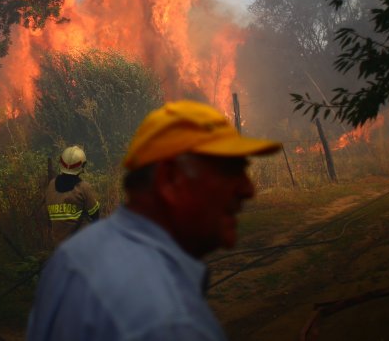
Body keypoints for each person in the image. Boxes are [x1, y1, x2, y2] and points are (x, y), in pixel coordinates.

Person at [27, 100, 281, 341]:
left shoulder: (70, 259)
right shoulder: (174, 322)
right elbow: (93, 211)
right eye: (229, 170)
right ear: (170, 180)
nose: (248, 189)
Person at [45, 145, 101, 246]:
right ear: (82, 166)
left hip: (58, 245)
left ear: (61, 162)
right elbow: (95, 216)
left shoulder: (51, 185)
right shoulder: (83, 187)